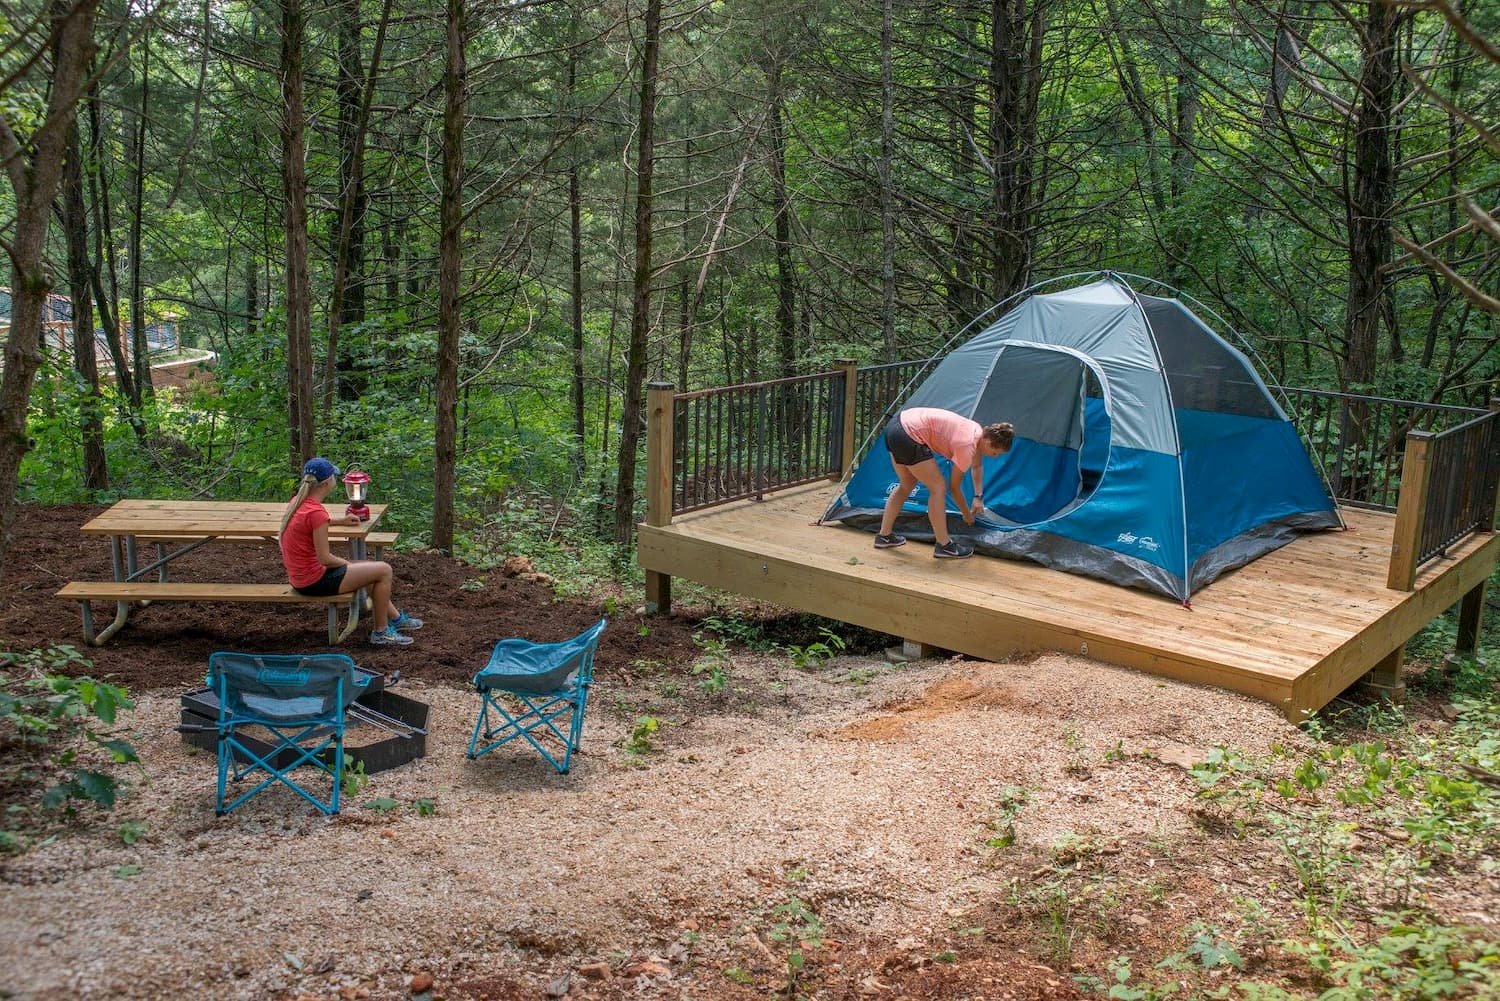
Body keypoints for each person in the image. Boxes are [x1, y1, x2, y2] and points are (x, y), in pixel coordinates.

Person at [279, 457, 422, 646]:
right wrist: (346, 564)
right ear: (327, 482)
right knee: (384, 570)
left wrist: (339, 521)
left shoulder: (298, 502)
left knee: (371, 569)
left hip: (300, 577)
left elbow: (312, 524)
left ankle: (395, 619)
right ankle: (381, 632)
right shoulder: (316, 513)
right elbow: (325, 558)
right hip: (314, 581)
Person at [874, 408, 1014, 559]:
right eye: (994, 453)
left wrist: (978, 496)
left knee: (907, 483)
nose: (993, 457)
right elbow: (954, 488)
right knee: (938, 487)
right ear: (987, 442)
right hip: (908, 434)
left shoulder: (977, 431)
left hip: (896, 425)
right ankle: (944, 546)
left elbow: (977, 466)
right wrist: (966, 515)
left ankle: (884, 536)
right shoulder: (966, 446)